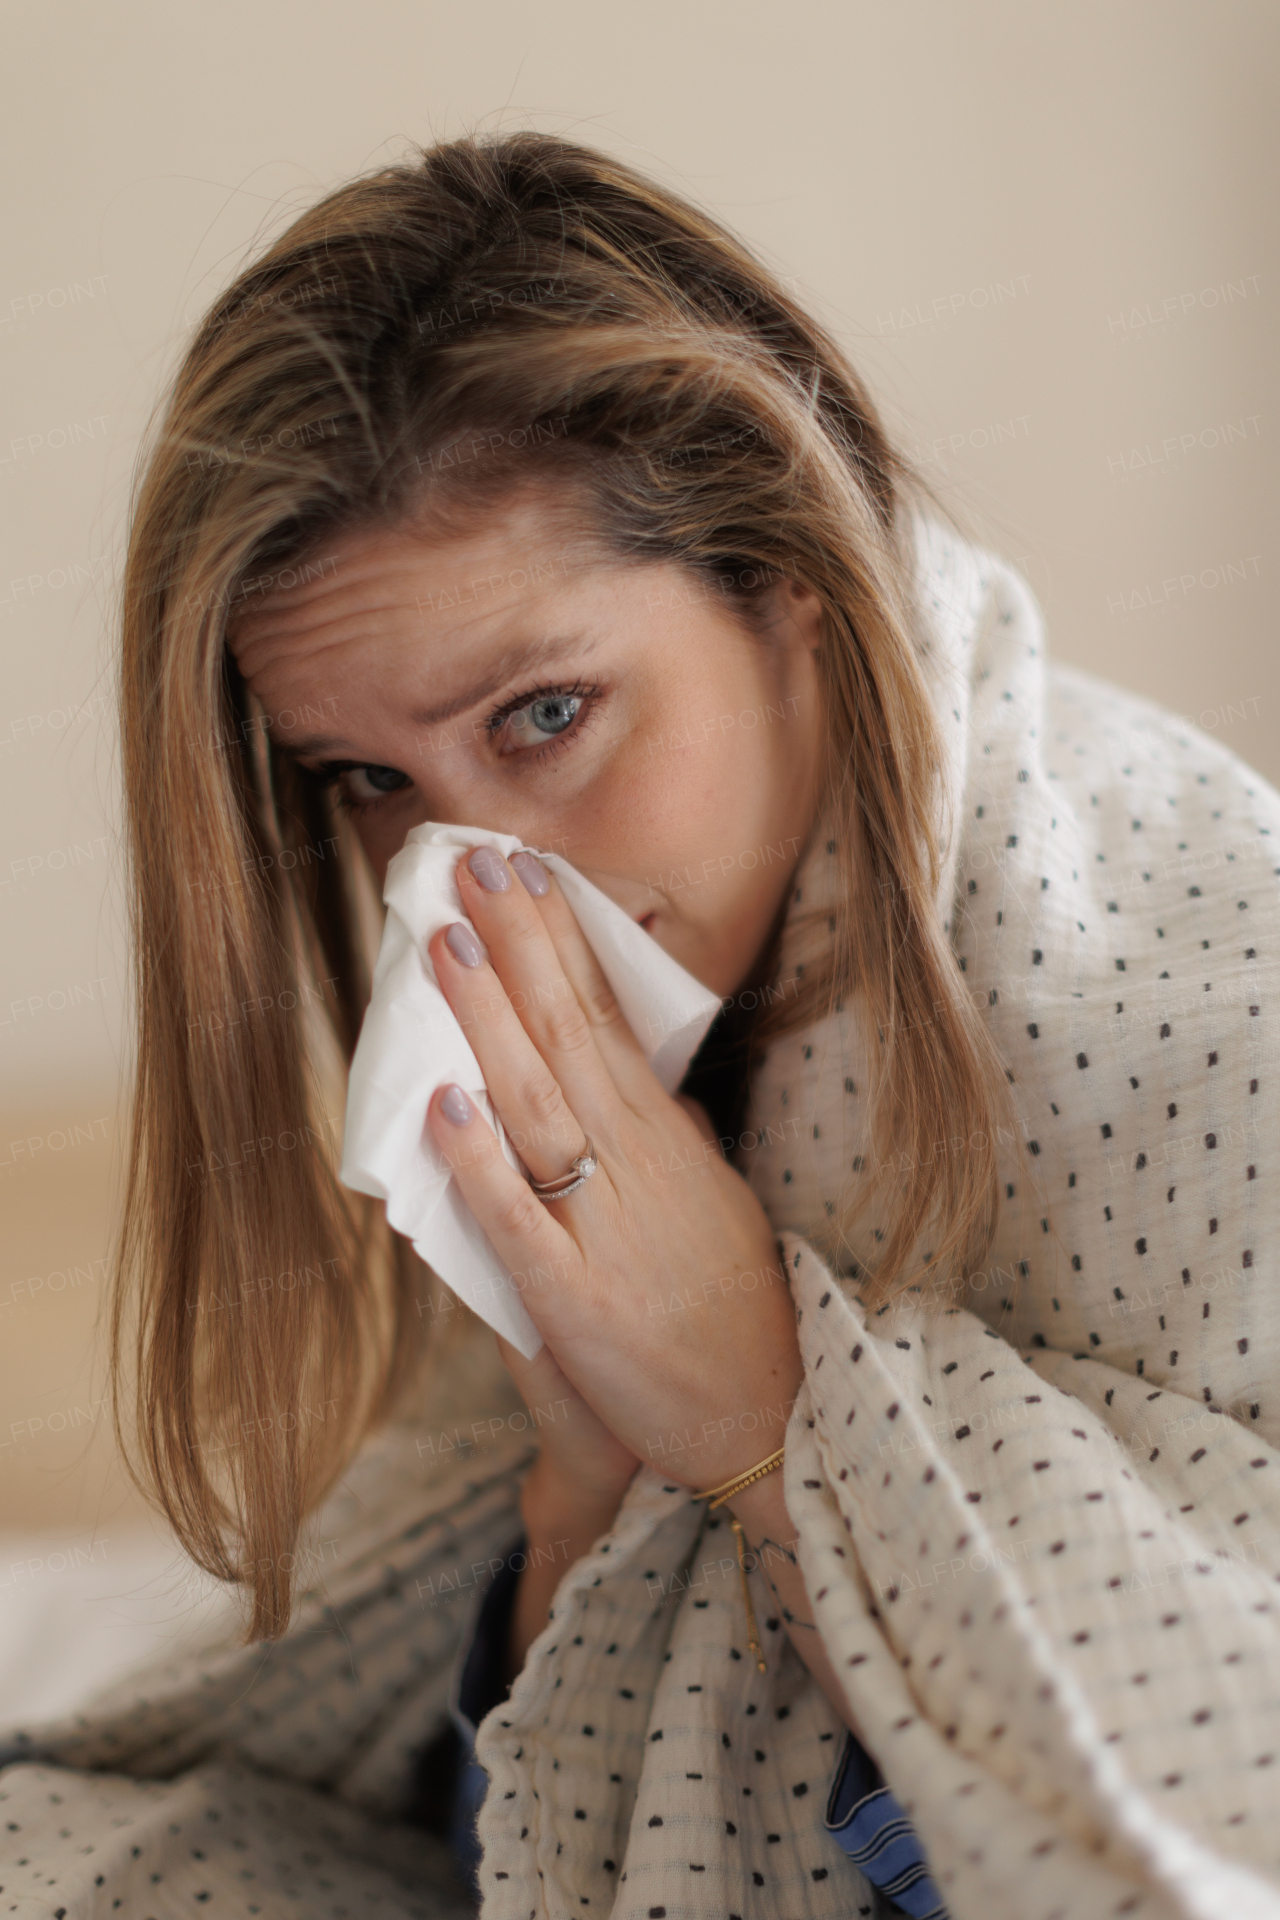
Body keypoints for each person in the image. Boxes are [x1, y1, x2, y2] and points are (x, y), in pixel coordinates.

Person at [1, 131, 1278, 1920]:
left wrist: (768, 1419)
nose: (473, 875)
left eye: (544, 716)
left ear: (791, 590)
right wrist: (585, 1488)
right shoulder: (584, 1067)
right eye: (369, 778)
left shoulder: (1206, 1029)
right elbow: (521, 1846)